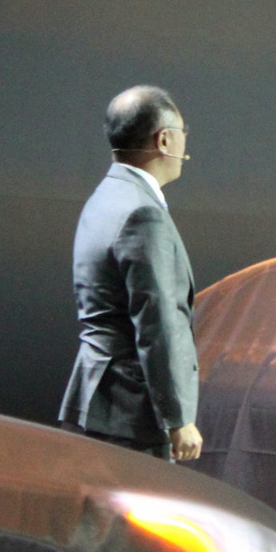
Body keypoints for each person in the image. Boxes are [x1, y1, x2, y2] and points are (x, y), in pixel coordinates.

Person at [59, 85, 202, 463]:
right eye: (184, 131)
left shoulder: (106, 196)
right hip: (130, 416)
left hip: (94, 401)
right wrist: (178, 418)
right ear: (165, 139)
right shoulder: (144, 213)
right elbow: (158, 321)